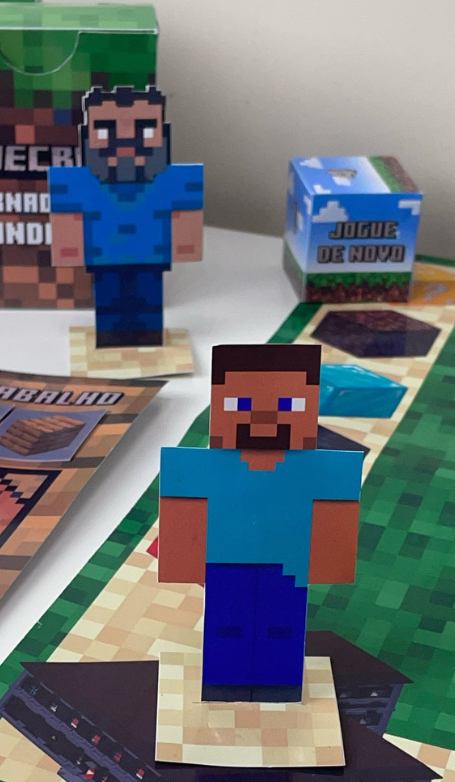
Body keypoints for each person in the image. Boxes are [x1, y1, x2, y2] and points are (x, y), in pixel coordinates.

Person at [158, 343, 362, 701]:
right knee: (227, 626)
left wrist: (330, 563)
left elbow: (337, 513)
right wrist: (182, 561)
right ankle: (224, 683)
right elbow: (181, 507)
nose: (265, 419)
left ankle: (278, 684)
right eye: (240, 404)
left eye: (289, 405)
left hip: (287, 564)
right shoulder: (206, 466)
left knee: (280, 627)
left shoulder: (320, 468)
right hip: (225, 562)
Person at [49, 85, 203, 347]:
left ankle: (146, 338)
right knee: (109, 305)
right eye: (104, 131)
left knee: (149, 304)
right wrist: (71, 251)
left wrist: (183, 247)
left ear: (164, 134)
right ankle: (112, 339)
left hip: (149, 257)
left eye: (145, 130)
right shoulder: (79, 183)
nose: (125, 142)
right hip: (106, 257)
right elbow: (66, 218)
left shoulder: (172, 181)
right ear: (86, 136)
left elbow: (187, 213)